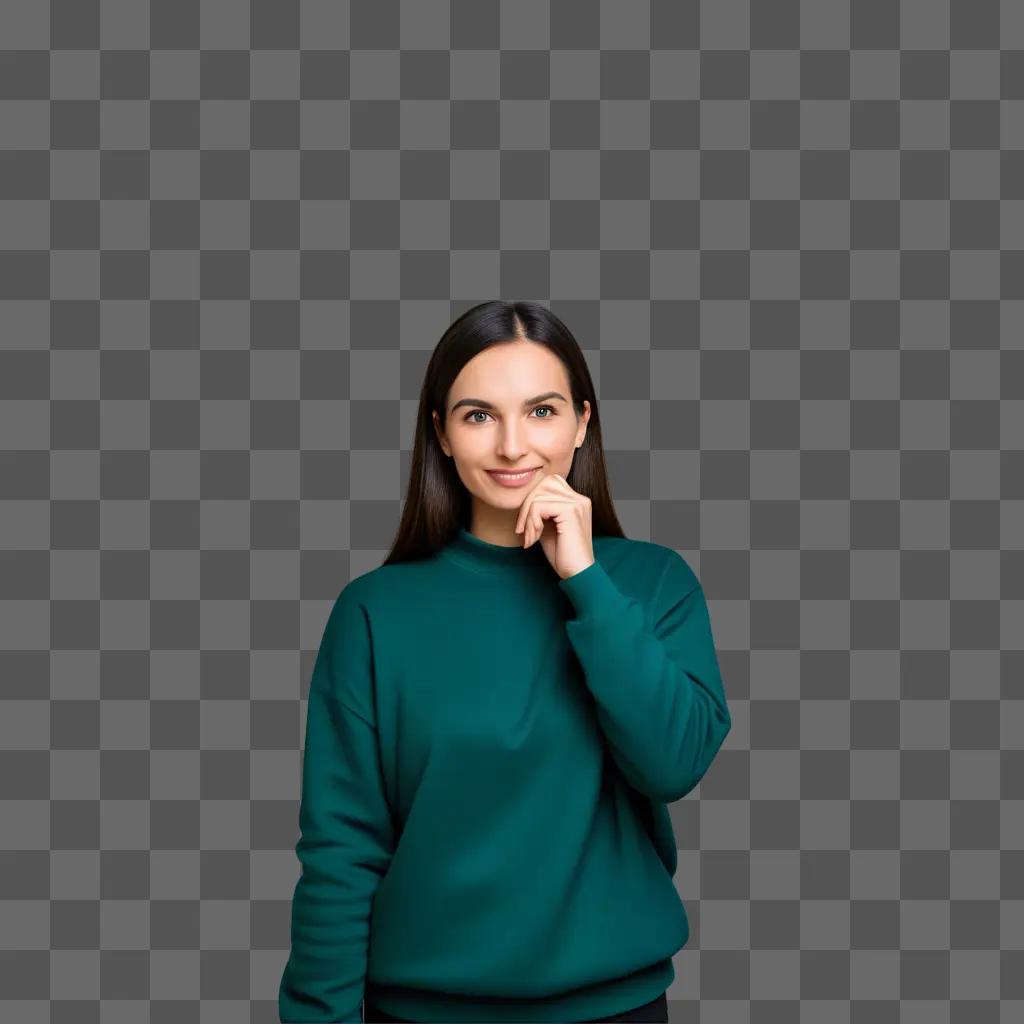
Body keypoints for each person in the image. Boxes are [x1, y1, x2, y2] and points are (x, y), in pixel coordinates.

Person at [278, 301, 732, 1023]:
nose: (513, 445)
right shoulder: (376, 612)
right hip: (422, 1011)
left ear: (582, 423)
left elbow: (672, 763)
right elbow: (341, 850)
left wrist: (584, 577)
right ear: (442, 434)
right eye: (479, 415)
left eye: (542, 411)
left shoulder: (651, 585)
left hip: (616, 1009)